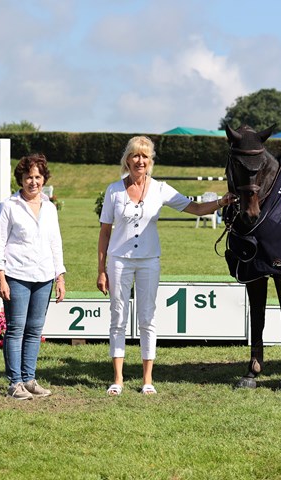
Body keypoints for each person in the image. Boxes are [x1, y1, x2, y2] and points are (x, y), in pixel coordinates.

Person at [97, 136, 236, 396]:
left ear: (151, 161)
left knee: (147, 317)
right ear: (127, 159)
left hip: (150, 260)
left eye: (145, 156)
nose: (140, 161)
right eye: (136, 156)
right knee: (118, 318)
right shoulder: (113, 190)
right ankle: (118, 379)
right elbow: (105, 232)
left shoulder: (161, 189)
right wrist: (101, 270)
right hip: (118, 261)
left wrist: (221, 202)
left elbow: (194, 208)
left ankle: (147, 379)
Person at [0, 153, 66, 400]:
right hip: (16, 275)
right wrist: (0, 278)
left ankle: (30, 380)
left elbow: (56, 243)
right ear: (20, 180)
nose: (33, 182)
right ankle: (15, 383)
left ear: (44, 179)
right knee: (16, 328)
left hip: (43, 276)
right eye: (28, 177)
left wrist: (59, 276)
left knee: (34, 330)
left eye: (37, 177)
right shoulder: (8, 206)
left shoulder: (51, 208)